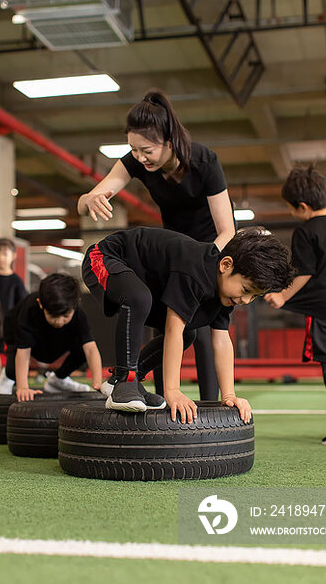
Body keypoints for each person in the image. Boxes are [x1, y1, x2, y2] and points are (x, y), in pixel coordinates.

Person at [78, 89, 236, 400]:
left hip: (209, 254)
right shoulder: (137, 161)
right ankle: (165, 397)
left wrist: (205, 265)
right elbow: (87, 201)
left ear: (170, 141)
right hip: (171, 254)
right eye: (133, 150)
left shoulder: (204, 162)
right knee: (169, 327)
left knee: (202, 331)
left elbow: (228, 230)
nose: (139, 157)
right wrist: (90, 198)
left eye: (146, 150)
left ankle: (211, 408)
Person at [82, 226, 295, 423]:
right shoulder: (195, 270)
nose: (246, 301)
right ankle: (124, 379)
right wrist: (172, 390)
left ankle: (127, 379)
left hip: (146, 281)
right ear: (226, 265)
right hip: (106, 257)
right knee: (140, 299)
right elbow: (173, 327)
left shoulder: (225, 294)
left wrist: (229, 395)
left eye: (255, 297)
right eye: (247, 290)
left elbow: (221, 340)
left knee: (188, 334)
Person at [264, 165, 326, 445]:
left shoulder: (306, 231)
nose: (292, 213)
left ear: (303, 206)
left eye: (291, 209)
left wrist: (282, 296)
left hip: (324, 309)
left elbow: (304, 272)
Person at [0, 273, 102, 401]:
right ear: (40, 304)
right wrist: (23, 387)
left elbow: (90, 349)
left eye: (65, 316)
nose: (59, 321)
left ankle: (58, 379)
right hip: (15, 328)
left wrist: (98, 384)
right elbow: (23, 353)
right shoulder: (29, 311)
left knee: (82, 350)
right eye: (53, 316)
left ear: (76, 304)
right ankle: (7, 376)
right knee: (13, 370)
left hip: (49, 335)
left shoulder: (78, 315)